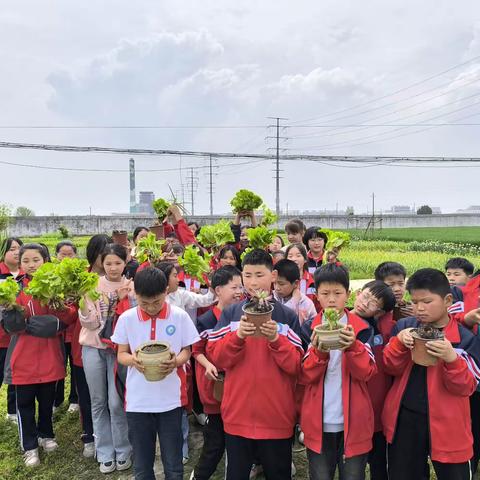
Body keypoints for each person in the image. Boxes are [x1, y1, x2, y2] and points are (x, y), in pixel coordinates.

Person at [207, 249, 303, 480]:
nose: (252, 282)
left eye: (259, 274)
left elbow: (296, 366)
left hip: (276, 415)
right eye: (247, 275)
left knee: (278, 473)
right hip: (238, 414)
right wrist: (238, 336)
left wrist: (275, 339)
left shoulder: (287, 316)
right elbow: (217, 359)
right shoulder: (231, 314)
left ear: (273, 276)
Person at [382, 268, 480, 480]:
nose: (419, 308)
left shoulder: (464, 338)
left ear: (447, 300)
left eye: (427, 302)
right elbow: (389, 367)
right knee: (404, 473)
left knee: (454, 474)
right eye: (415, 302)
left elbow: (467, 387)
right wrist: (399, 343)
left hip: (449, 422)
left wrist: (451, 359)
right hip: (405, 417)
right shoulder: (405, 327)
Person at [112, 267, 200, 480]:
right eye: (144, 303)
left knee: (173, 463)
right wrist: (134, 360)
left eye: (157, 302)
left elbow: (187, 350)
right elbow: (121, 354)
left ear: (166, 293)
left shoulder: (179, 317)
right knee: (142, 464)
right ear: (135, 295)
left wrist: (175, 362)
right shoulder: (127, 319)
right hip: (138, 402)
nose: (151, 308)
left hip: (170, 400)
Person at [2, 243, 77, 467]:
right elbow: (8, 324)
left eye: (36, 260)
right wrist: (12, 319)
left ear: (45, 260)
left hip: (50, 354)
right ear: (20, 263)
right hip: (23, 356)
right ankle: (29, 446)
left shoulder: (57, 286)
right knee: (24, 403)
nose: (31, 265)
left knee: (47, 401)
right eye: (26, 260)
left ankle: (47, 434)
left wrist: (58, 320)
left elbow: (70, 314)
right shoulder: (13, 288)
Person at [300, 263, 376, 480]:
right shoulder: (309, 328)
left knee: (352, 475)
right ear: (317, 296)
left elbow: (367, 373)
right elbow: (305, 375)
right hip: (319, 420)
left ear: (348, 294)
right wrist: (319, 353)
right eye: (325, 293)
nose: (331, 299)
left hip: (354, 420)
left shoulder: (362, 329)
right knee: (320, 475)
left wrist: (353, 347)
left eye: (337, 293)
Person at [79, 244, 133, 474]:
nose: (113, 268)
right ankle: (104, 452)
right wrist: (82, 301)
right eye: (108, 263)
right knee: (98, 401)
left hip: (117, 351)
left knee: (116, 401)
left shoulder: (131, 286)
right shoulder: (92, 284)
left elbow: (131, 320)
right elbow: (89, 323)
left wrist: (122, 300)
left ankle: (123, 450)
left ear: (125, 263)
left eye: (117, 263)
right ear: (102, 262)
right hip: (93, 348)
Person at [191, 266, 243, 480]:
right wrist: (208, 364)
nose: (240, 291)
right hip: (216, 390)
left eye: (241, 286)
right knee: (215, 442)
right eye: (234, 287)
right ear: (218, 290)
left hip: (239, 390)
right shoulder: (207, 320)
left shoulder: (244, 316)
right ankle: (200, 475)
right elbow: (196, 350)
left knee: (238, 440)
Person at [350, 281, 396, 480]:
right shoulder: (338, 321)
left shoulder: (376, 331)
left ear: (379, 312)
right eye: (365, 296)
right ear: (358, 293)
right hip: (349, 401)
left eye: (373, 303)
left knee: (377, 456)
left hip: (375, 402)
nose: (365, 303)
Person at [54, 240, 79, 413]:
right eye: (63, 254)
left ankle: (74, 399)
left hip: (75, 330)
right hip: (57, 331)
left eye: (70, 254)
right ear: (56, 256)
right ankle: (57, 400)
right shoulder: (52, 275)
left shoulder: (79, 274)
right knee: (58, 364)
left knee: (75, 365)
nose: (66, 257)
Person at [0, 236, 23, 423]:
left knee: (16, 374)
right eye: (11, 249)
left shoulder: (28, 274)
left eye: (18, 248)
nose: (16, 252)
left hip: (18, 336)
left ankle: (12, 411)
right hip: (1, 336)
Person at [273, 259, 317, 326]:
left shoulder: (306, 304)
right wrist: (294, 301)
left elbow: (314, 326)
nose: (277, 288)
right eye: (274, 283)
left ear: (296, 283)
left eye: (281, 284)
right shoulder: (272, 297)